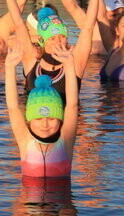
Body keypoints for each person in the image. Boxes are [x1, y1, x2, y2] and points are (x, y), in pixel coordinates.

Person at [20, 0, 116, 99]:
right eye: (52, 38)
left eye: (62, 37)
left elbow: (87, 28)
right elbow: (18, 22)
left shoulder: (75, 62)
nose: (58, 42)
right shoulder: (31, 60)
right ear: (41, 40)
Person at [5, 41, 79, 179]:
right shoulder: (25, 140)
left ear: (60, 120)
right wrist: (9, 68)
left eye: (51, 119)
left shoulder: (66, 141)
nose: (45, 124)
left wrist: (69, 65)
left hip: (61, 200)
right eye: (38, 118)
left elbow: (72, 105)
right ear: (29, 120)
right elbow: (13, 107)